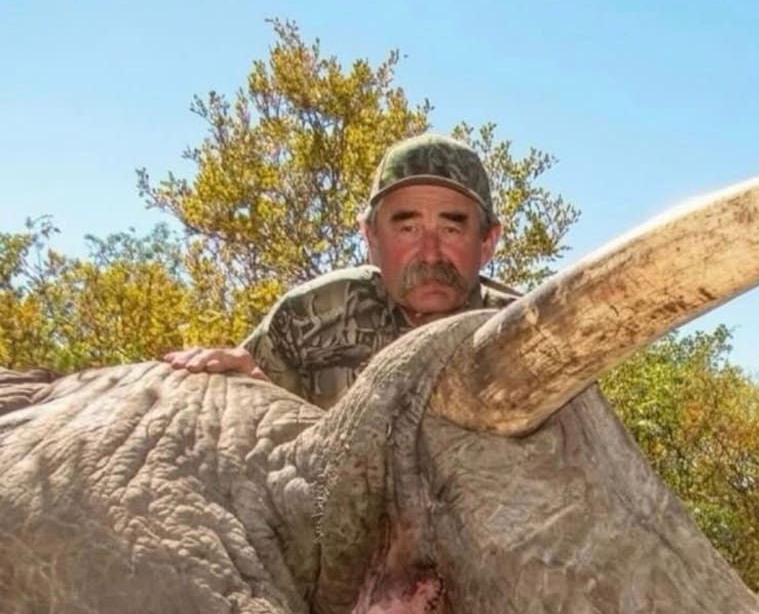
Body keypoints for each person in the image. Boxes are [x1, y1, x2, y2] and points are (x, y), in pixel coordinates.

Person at [163, 133, 519, 408]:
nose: (430, 254)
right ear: (371, 238)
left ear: (487, 242)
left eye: (451, 229)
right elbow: (253, 428)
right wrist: (241, 386)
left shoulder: (525, 332)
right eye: (407, 228)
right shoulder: (311, 317)